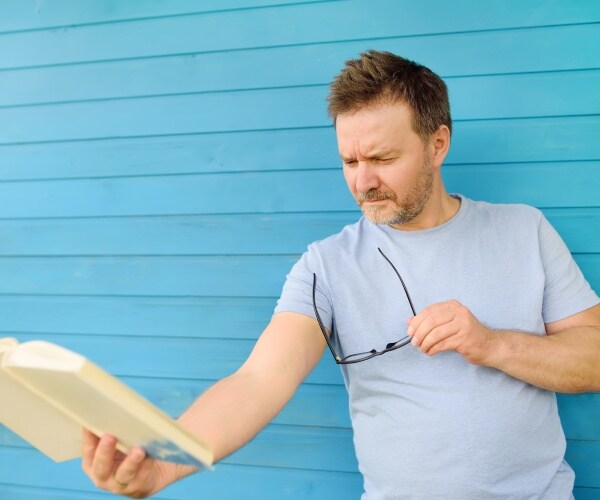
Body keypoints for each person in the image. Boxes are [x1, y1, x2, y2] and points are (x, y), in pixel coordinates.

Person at [82, 51, 600, 499]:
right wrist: (165, 464)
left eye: (382, 157)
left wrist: (491, 344)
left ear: (438, 144)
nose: (363, 181)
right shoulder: (325, 266)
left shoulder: (523, 230)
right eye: (349, 160)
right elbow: (258, 381)